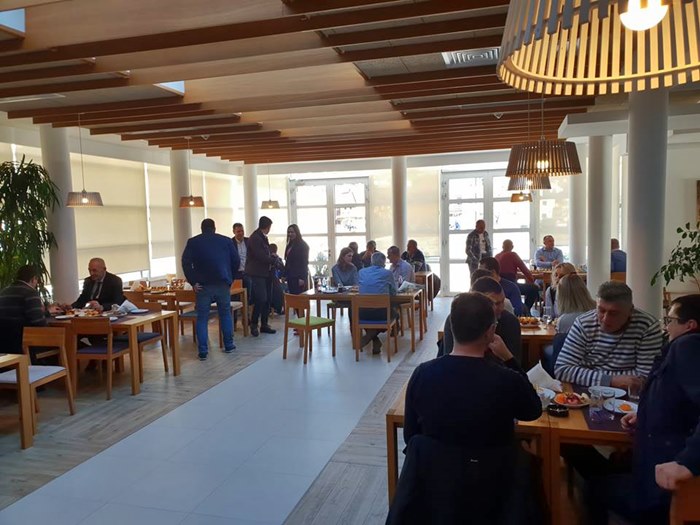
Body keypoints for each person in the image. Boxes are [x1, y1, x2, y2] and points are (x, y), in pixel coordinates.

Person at [395, 293, 542, 524]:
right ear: (490, 332)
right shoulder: (507, 379)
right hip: (494, 491)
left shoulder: (422, 374)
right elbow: (533, 411)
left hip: (436, 492)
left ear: (452, 327)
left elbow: (411, 437)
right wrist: (509, 358)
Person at [585, 295, 700, 524]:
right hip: (659, 469)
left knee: (595, 487)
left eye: (670, 320)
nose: (666, 327)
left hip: (664, 481)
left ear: (690, 325)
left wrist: (687, 462)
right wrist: (645, 415)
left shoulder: (688, 346)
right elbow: (681, 402)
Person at [554, 281, 663, 387]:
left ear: (630, 311)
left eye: (614, 313)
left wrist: (588, 374)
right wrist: (611, 380)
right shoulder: (584, 323)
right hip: (587, 391)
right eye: (601, 310)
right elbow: (561, 369)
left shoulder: (647, 326)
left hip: (629, 394)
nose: (605, 319)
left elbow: (645, 376)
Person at [181, 218, 239, 360]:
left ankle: (203, 351)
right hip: (222, 283)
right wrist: (230, 278)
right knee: (225, 314)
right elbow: (236, 260)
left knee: (202, 318)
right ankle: (229, 345)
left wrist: (193, 282)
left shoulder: (193, 242)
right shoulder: (226, 241)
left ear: (201, 229)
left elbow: (185, 263)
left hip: (202, 286)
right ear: (214, 228)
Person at [440, 277, 522, 365]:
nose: (502, 308)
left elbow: (516, 363)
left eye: (503, 301)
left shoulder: (510, 321)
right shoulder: (457, 318)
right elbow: (449, 359)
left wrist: (505, 355)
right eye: (496, 303)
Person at [358, 252, 397, 355]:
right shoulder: (387, 273)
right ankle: (370, 336)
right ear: (383, 263)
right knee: (395, 314)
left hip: (363, 313)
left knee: (362, 314)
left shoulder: (361, 272)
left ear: (371, 261)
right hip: (381, 314)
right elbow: (394, 292)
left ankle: (374, 339)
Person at [245, 216, 277, 337]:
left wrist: (272, 256)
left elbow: (265, 253)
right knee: (261, 299)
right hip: (257, 273)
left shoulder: (262, 237)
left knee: (267, 299)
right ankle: (254, 324)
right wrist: (273, 260)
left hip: (266, 273)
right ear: (267, 227)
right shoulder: (255, 238)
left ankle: (264, 324)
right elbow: (260, 256)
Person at [495, 239, 540, 311]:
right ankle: (526, 310)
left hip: (498, 286)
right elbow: (525, 270)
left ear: (502, 247)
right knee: (534, 288)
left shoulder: (497, 256)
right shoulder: (513, 255)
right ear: (512, 247)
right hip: (511, 286)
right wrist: (532, 280)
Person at [283, 224, 309, 296]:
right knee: (292, 296)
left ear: (297, 232)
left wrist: (302, 278)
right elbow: (288, 261)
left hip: (298, 276)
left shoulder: (303, 245)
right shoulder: (290, 245)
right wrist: (284, 274)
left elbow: (304, 262)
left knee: (298, 297)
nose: (290, 234)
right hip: (290, 276)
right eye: (289, 232)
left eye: (292, 232)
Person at [269, 243, 285, 315]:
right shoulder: (267, 258)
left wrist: (277, 259)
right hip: (270, 279)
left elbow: (282, 269)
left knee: (278, 290)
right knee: (277, 290)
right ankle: (276, 308)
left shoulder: (278, 259)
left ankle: (276, 308)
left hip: (275, 279)